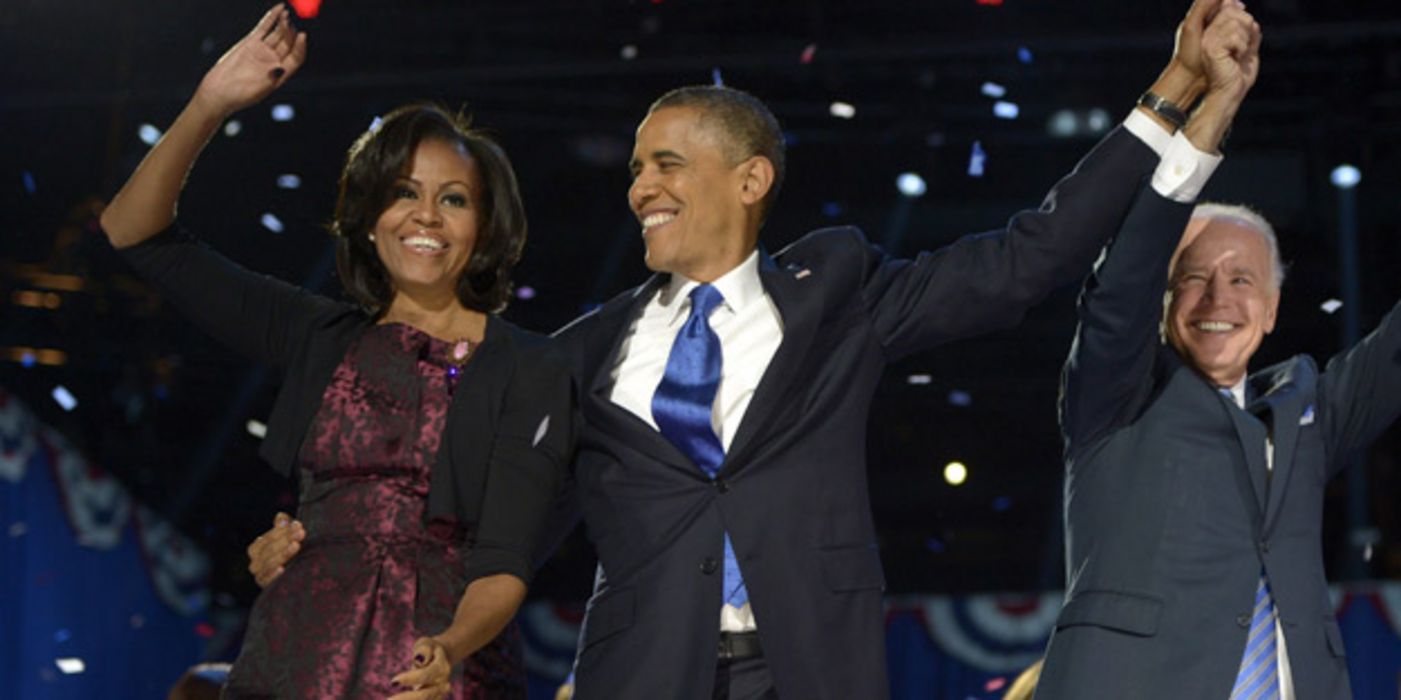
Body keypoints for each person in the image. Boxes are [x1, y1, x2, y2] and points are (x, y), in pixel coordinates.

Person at [252, 1, 1253, 696]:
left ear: (751, 180)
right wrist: (314, 549)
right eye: (639, 166)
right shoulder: (577, 352)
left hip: (810, 663)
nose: (642, 186)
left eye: (669, 164)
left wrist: (1170, 85)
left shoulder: (839, 298)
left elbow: (1031, 257)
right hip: (643, 671)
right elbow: (478, 519)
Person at [99, 6, 574, 699]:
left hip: (441, 668)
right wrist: (210, 103)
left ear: (488, 227)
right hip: (297, 655)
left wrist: (447, 649)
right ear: (368, 216)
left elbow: (505, 560)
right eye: (403, 193)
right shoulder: (316, 332)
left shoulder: (530, 367)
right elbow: (133, 232)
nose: (425, 217)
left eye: (453, 199)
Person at [1040, 24, 1399, 700]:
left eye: (1242, 281)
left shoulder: (1305, 413)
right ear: (1162, 300)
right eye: (1193, 278)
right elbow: (1118, 289)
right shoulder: (1115, 396)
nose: (1216, 299)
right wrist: (1212, 112)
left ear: (1270, 311)